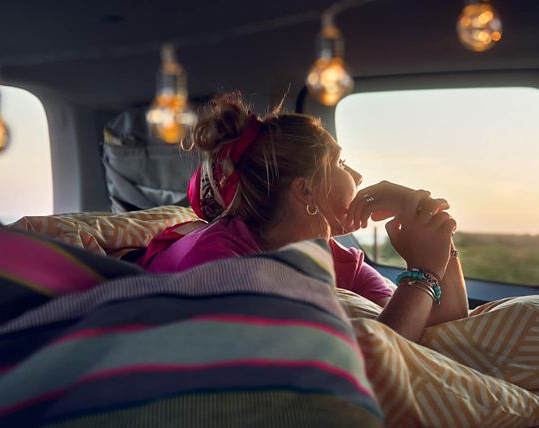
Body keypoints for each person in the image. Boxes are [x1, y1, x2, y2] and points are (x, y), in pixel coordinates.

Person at [140, 92, 469, 341]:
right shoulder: (217, 260)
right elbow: (371, 368)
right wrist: (422, 273)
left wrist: (432, 228)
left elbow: (444, 322)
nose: (357, 175)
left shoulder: (341, 261)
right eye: (340, 162)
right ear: (306, 191)